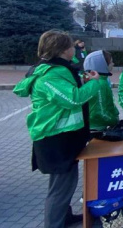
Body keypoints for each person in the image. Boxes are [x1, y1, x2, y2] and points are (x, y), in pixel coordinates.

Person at [13, 30, 101, 228]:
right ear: (62, 50)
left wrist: (84, 82)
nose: (74, 49)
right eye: (70, 46)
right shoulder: (50, 75)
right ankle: (54, 223)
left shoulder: (58, 71)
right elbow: (73, 99)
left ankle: (64, 217)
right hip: (55, 139)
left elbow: (68, 93)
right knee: (60, 188)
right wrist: (94, 83)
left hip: (64, 137)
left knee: (64, 184)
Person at [83, 50, 119, 132]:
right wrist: (115, 120)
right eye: (111, 62)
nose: (113, 64)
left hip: (94, 125)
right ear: (102, 65)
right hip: (97, 127)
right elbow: (100, 112)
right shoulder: (100, 83)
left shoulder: (95, 81)